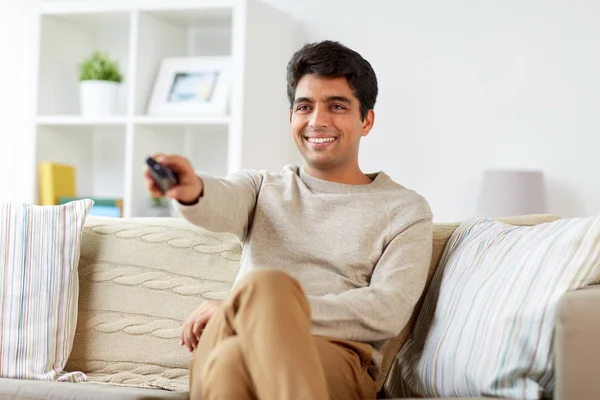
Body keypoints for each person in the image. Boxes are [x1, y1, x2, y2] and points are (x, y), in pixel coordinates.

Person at [144, 40, 433, 400]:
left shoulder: (405, 210)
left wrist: (254, 308)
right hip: (233, 338)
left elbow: (387, 310)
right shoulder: (262, 188)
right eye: (305, 106)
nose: (317, 120)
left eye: (337, 106)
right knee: (240, 337)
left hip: (333, 358)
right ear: (292, 118)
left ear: (367, 121)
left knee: (261, 301)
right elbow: (218, 200)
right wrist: (191, 188)